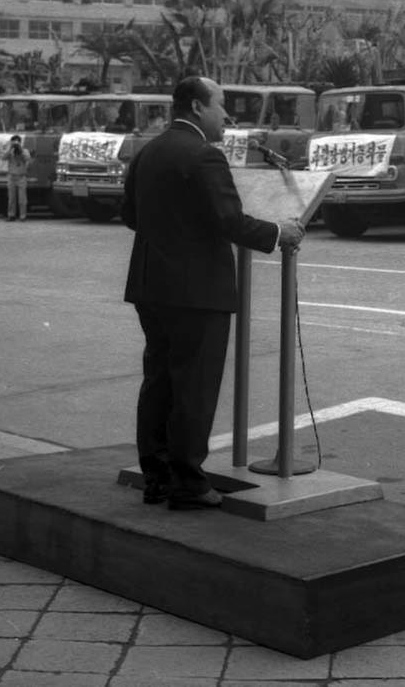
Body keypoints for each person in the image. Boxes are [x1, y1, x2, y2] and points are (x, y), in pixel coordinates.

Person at [122, 76, 305, 511]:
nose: (227, 115)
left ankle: (157, 477)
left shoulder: (148, 151)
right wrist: (281, 231)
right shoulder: (204, 155)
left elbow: (130, 215)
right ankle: (188, 482)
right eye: (220, 105)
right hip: (197, 292)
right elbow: (230, 222)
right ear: (196, 107)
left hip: (152, 286)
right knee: (194, 388)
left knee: (160, 382)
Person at [1, 134, 32, 221]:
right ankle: (11, 215)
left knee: (22, 199)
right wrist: (10, 147)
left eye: (16, 142)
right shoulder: (10, 152)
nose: (15, 144)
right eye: (13, 142)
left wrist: (20, 149)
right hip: (11, 177)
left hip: (21, 177)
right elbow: (3, 157)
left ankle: (23, 216)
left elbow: (28, 159)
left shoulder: (25, 151)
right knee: (11, 198)